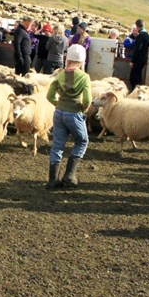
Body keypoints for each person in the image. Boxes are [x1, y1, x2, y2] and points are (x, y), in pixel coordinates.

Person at [45, 44, 91, 189]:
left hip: (59, 113)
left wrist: (58, 104)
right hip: (74, 113)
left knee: (58, 145)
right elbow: (88, 100)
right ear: (83, 60)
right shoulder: (84, 77)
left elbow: (49, 95)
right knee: (82, 141)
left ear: (67, 58)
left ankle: (53, 180)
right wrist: (82, 108)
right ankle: (69, 176)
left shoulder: (60, 74)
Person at [129, 19, 149, 90]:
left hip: (138, 60)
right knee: (138, 75)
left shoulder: (140, 35)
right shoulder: (146, 34)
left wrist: (132, 61)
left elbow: (136, 49)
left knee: (133, 78)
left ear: (137, 26)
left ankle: (135, 91)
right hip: (143, 59)